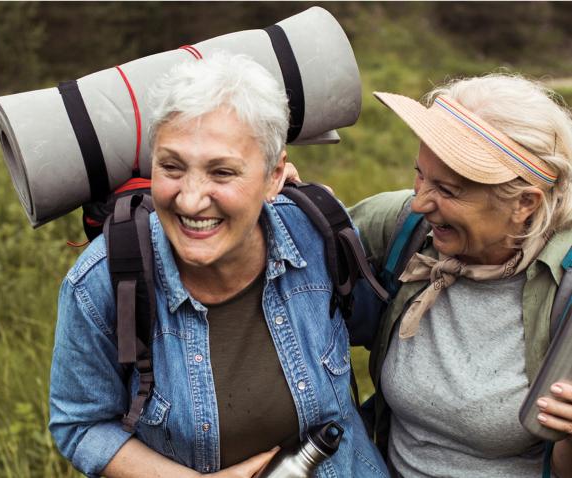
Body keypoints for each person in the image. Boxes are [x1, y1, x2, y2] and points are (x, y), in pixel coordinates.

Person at [48, 52, 388, 478]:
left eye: (222, 173)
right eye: (171, 167)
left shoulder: (318, 234)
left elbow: (384, 337)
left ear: (274, 176)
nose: (190, 200)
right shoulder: (102, 282)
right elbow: (80, 423)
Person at [343, 74, 572, 477]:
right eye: (419, 174)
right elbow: (289, 253)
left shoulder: (564, 291)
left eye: (447, 191)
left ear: (524, 203)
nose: (420, 202)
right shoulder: (405, 230)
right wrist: (277, 195)